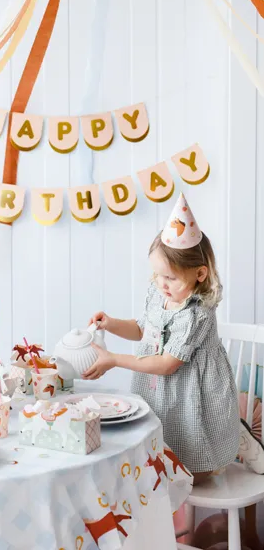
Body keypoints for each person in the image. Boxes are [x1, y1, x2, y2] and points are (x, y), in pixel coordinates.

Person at [85, 193, 239, 484]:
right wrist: (112, 324)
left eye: (171, 278)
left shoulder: (197, 314)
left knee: (191, 460)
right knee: (157, 450)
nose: (162, 284)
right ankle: (162, 489)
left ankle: (205, 467)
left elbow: (168, 364)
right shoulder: (159, 295)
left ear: (200, 274)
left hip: (191, 389)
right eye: (158, 275)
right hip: (158, 388)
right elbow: (143, 329)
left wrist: (115, 360)